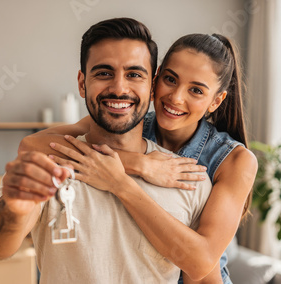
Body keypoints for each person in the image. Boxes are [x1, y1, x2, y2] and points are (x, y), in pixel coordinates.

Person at [0, 18, 216, 283]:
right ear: (81, 82)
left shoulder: (188, 178)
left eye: (134, 74)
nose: (119, 88)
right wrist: (13, 211)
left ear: (152, 85)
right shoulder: (49, 164)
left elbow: (200, 276)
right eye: (103, 73)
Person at [22, 33, 258, 283]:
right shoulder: (129, 122)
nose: (176, 97)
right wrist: (138, 163)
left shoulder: (234, 160)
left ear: (216, 101)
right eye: (170, 79)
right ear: (154, 80)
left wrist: (118, 180)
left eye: (196, 90)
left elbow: (201, 264)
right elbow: (31, 144)